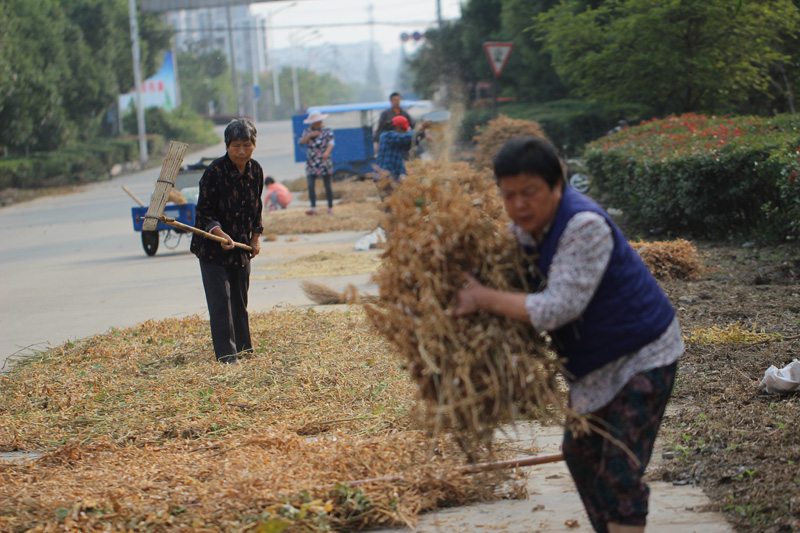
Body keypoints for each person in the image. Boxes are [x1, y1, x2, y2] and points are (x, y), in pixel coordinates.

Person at [453, 136, 683, 533]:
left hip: (643, 355)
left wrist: (483, 298)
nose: (519, 205)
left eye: (530, 192)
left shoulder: (583, 226)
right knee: (580, 454)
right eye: (508, 195)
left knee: (620, 471)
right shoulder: (526, 232)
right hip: (595, 364)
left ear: (558, 184)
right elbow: (507, 275)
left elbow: (557, 308)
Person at [191, 118, 263, 364]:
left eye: (246, 145)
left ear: (254, 144)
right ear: (226, 146)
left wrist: (255, 237)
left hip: (241, 248)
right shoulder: (214, 172)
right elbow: (204, 212)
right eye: (236, 146)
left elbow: (257, 207)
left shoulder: (256, 171)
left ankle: (244, 349)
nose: (242, 151)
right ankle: (227, 357)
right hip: (214, 249)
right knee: (221, 302)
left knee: (240, 301)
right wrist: (220, 235)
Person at [373, 115, 432, 200]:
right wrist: (421, 127)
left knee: (398, 206)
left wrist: (421, 133)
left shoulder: (396, 141)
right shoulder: (387, 136)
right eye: (404, 131)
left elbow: (410, 142)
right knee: (393, 206)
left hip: (394, 179)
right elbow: (407, 137)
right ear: (398, 128)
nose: (405, 133)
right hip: (386, 178)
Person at [298, 110, 335, 215]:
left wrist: (327, 152)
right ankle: (313, 207)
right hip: (312, 160)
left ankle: (330, 207)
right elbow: (301, 142)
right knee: (310, 184)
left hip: (324, 159)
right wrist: (310, 135)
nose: (317, 124)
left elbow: (331, 142)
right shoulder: (308, 131)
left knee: (327, 185)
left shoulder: (327, 130)